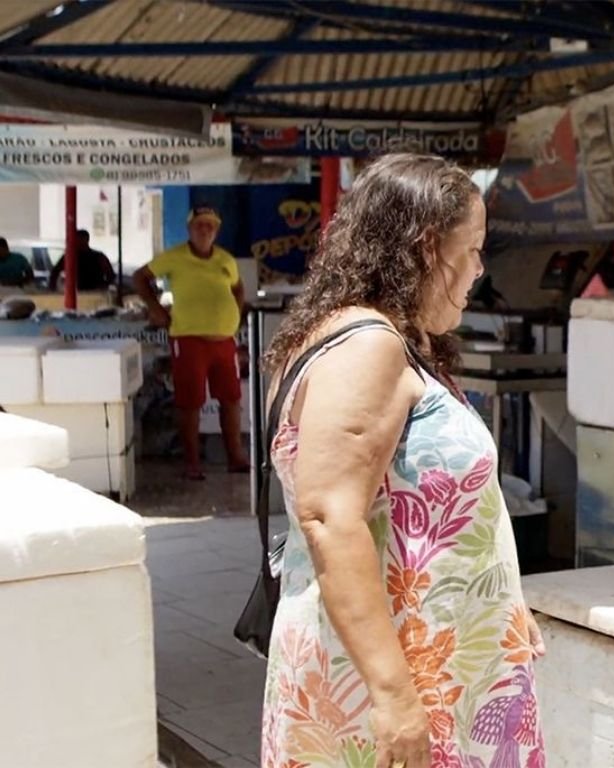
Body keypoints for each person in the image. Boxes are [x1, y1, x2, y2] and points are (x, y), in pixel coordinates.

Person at [259, 153, 545, 768]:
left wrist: (495, 604)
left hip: (433, 662)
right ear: (424, 248)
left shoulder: (385, 339)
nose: (478, 269)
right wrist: (393, 696)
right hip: (392, 682)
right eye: (471, 250)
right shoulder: (368, 346)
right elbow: (331, 519)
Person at [133, 207, 248, 480]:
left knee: (231, 399)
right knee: (190, 402)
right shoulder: (174, 257)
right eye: (199, 225)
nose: (205, 229)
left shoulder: (225, 259)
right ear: (189, 229)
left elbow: (238, 287)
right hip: (188, 338)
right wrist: (156, 308)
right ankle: (192, 463)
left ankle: (236, 458)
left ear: (216, 230)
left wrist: (235, 312)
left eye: (210, 225)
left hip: (224, 340)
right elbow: (140, 277)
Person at [48, 229, 115, 292]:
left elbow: (110, 275)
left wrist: (103, 286)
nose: (78, 242)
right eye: (77, 239)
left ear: (87, 240)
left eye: (80, 239)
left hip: (93, 292)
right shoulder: (70, 256)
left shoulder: (98, 256)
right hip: (78, 292)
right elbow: (55, 272)